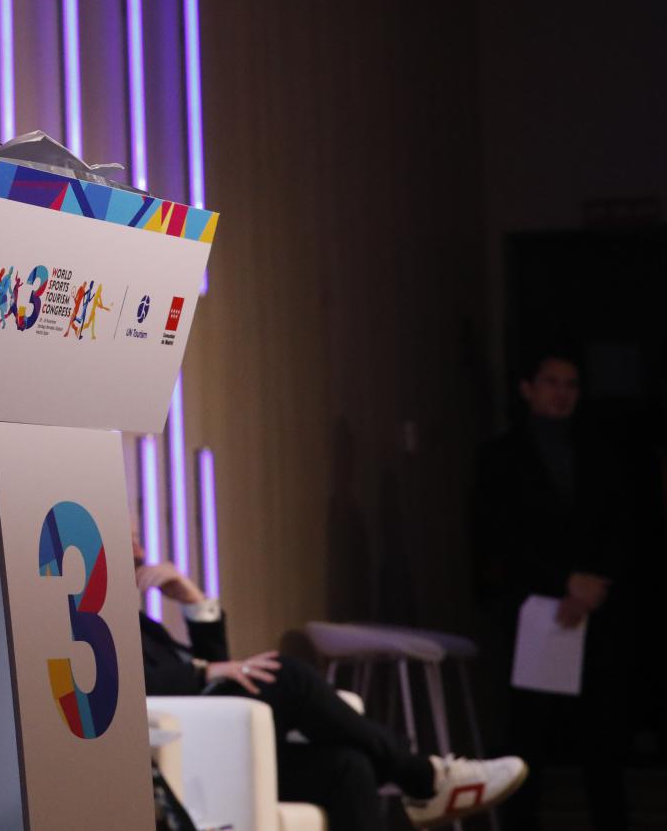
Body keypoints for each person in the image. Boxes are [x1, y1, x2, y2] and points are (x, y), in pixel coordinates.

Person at [138, 538, 524, 830]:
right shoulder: (105, 632)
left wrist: (195, 605)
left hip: (212, 740)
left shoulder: (145, 626)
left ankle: (423, 778)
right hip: (169, 756)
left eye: (139, 540)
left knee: (348, 768)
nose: (141, 552)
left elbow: (217, 677)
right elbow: (135, 691)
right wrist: (203, 672)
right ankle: (424, 777)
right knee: (285, 674)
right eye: (130, 540)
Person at [474, 351, 637, 829]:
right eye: (551, 382)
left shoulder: (601, 452)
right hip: (533, 608)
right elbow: (498, 536)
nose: (561, 393)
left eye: (570, 384)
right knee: (529, 734)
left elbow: (623, 525)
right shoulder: (501, 456)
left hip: (596, 608)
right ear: (527, 388)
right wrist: (563, 580)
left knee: (603, 739)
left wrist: (593, 585)